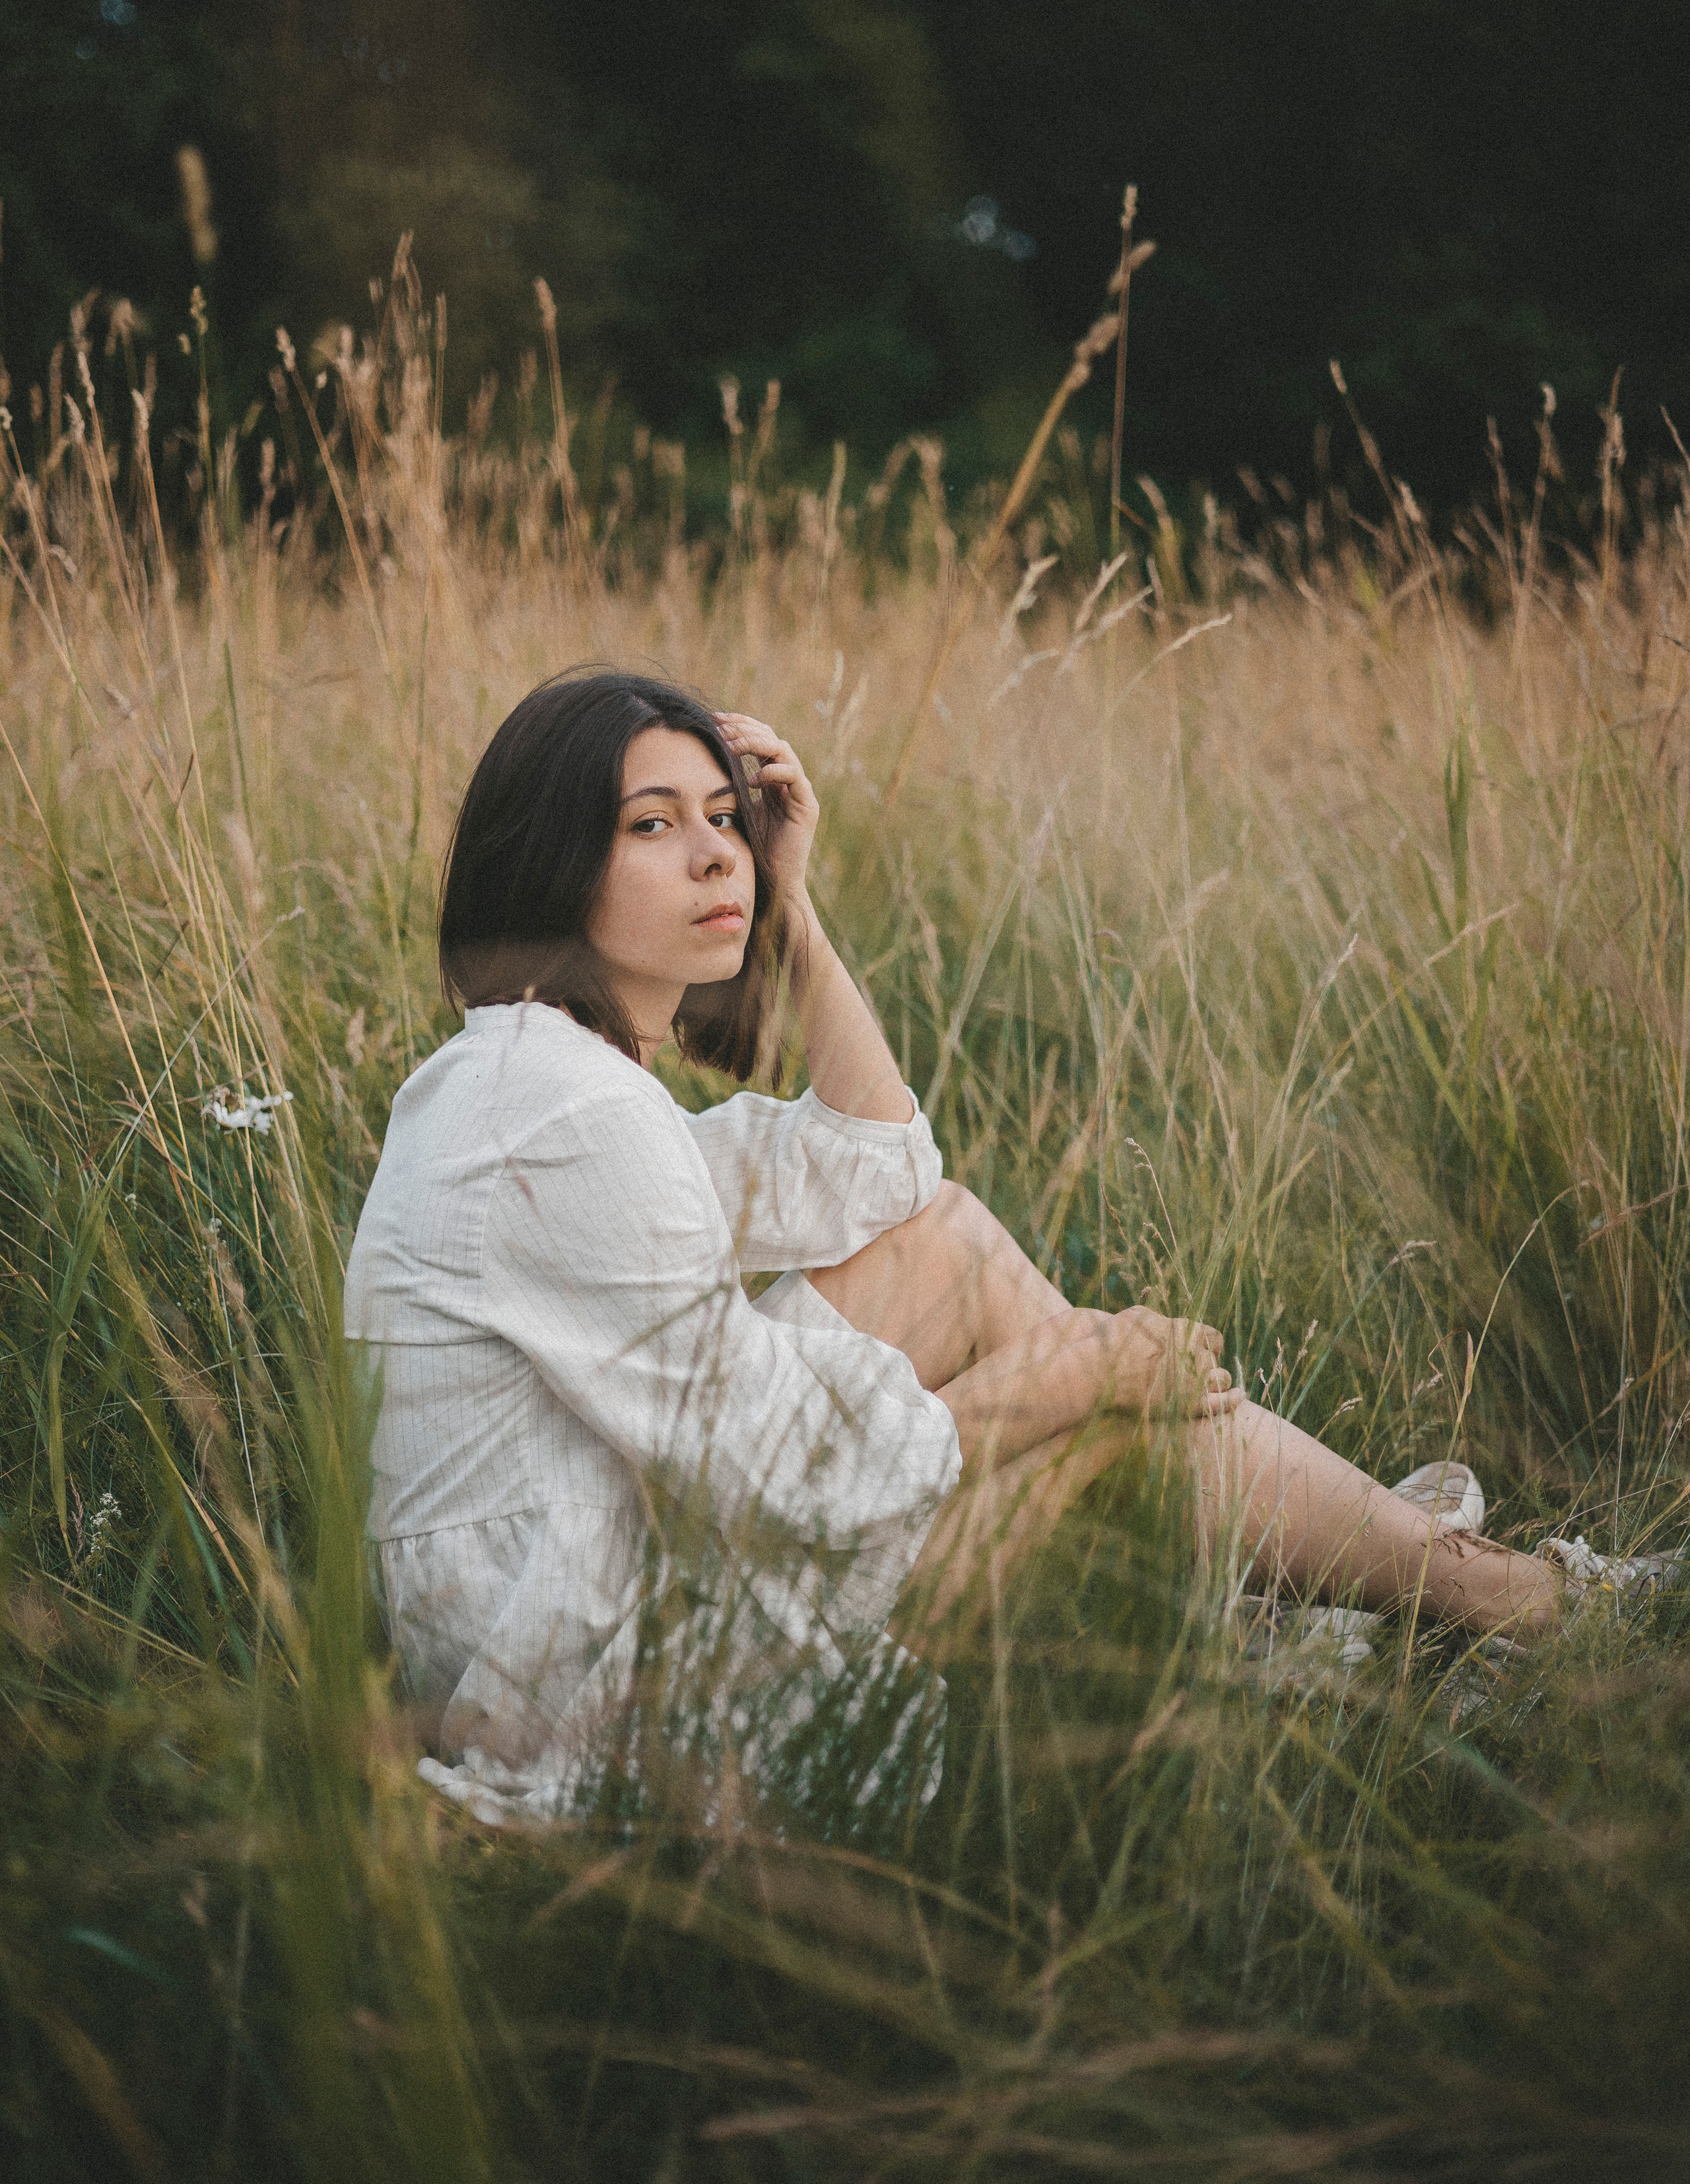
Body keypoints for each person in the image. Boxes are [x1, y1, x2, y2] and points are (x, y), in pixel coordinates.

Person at [345, 670, 1572, 1829]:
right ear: (554, 865)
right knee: (1090, 1409)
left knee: (948, 1246)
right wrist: (1076, 1373)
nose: (719, 851)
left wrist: (797, 906)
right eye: (653, 826)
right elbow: (800, 1475)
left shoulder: (535, 1080)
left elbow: (885, 1176)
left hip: (586, 1601)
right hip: (599, 1688)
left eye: (726, 818)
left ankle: (1365, 1582)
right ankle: (1478, 1593)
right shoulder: (565, 1117)